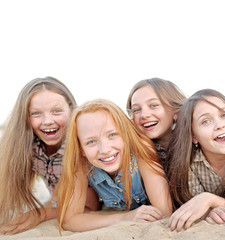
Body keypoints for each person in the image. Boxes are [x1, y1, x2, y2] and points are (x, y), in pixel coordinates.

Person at [0, 77, 99, 235]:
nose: (47, 121)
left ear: (72, 110)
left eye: (57, 111)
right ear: (25, 117)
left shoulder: (80, 147)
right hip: (59, 201)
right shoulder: (31, 148)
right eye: (36, 113)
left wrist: (39, 213)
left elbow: (90, 208)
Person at [56, 99, 172, 232]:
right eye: (91, 142)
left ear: (125, 134)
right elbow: (69, 220)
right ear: (81, 149)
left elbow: (164, 212)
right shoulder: (82, 164)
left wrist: (96, 219)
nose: (105, 149)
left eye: (112, 135)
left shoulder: (141, 149)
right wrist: (124, 218)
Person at [166, 89, 225, 231]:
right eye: (206, 121)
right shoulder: (188, 163)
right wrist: (210, 209)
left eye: (224, 114)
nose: (219, 125)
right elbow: (196, 207)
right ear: (193, 136)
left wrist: (209, 200)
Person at [126, 78, 186, 166]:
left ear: (175, 111)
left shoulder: (195, 144)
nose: (144, 115)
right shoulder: (133, 154)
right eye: (136, 109)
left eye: (153, 105)